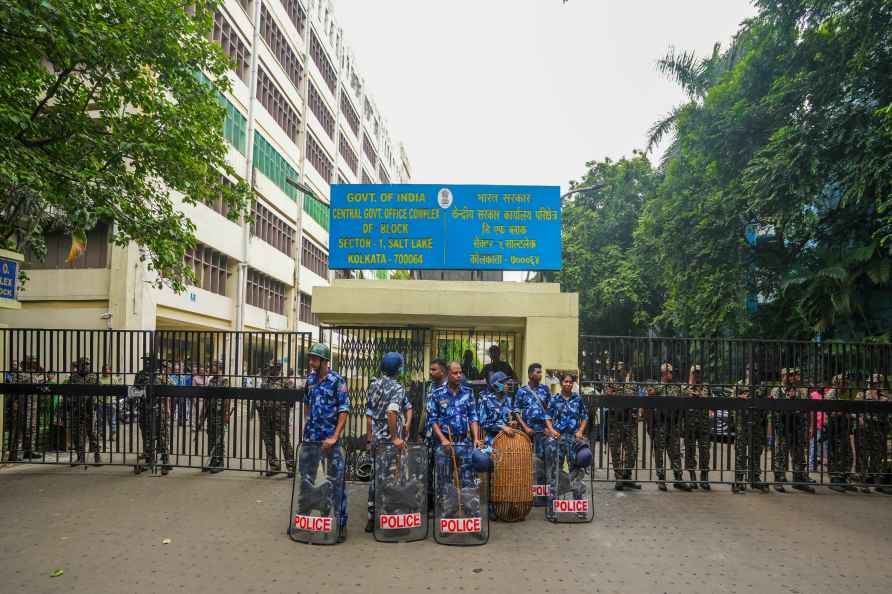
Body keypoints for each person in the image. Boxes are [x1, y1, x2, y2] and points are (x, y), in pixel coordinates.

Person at [300, 342, 350, 542]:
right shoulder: (310, 379)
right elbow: (306, 403)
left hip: (331, 442)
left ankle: (340, 524)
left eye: (314, 358)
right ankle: (302, 520)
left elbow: (344, 410)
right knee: (306, 480)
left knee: (336, 482)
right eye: (310, 357)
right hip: (311, 440)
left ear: (324, 360)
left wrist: (335, 436)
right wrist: (308, 425)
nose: (311, 361)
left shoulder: (337, 381)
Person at [427, 361, 483, 520]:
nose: (459, 376)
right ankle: (446, 517)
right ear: (448, 374)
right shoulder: (437, 394)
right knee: (444, 483)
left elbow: (473, 417)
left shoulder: (468, 392)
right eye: (455, 373)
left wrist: (476, 438)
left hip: (464, 443)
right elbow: (433, 420)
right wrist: (443, 440)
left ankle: (470, 517)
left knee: (467, 482)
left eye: (460, 372)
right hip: (445, 446)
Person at [364, 352, 411, 533]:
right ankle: (390, 519)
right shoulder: (398, 388)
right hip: (389, 444)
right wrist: (395, 437)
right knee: (393, 478)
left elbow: (369, 415)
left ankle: (371, 517)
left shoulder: (373, 385)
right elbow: (392, 413)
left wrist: (369, 438)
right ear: (398, 369)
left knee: (375, 477)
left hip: (376, 440)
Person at [543, 373, 588, 520]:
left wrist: (581, 430)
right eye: (565, 381)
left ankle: (579, 508)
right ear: (561, 383)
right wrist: (551, 430)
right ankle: (551, 510)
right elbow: (547, 417)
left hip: (574, 440)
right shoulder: (555, 399)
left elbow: (585, 417)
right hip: (558, 439)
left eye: (570, 382)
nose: (568, 384)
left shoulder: (578, 399)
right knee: (555, 473)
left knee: (576, 472)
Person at [646, 363, 690, 491]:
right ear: (664, 373)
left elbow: (687, 392)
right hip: (659, 424)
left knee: (675, 452)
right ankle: (661, 479)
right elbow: (649, 394)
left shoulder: (676, 386)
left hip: (673, 424)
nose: (672, 374)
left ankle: (678, 479)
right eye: (669, 372)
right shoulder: (655, 385)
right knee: (659, 452)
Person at [770, 368, 814, 493]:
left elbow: (807, 408)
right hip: (783, 427)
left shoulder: (800, 391)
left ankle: (798, 480)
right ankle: (779, 480)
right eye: (787, 375)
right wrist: (787, 401)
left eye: (792, 375)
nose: (790, 377)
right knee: (780, 455)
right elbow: (774, 409)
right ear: (782, 377)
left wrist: (809, 427)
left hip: (797, 427)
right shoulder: (777, 390)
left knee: (799, 455)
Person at [514, 362, 554, 495]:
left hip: (542, 432)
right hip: (527, 433)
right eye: (538, 372)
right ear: (531, 374)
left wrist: (550, 428)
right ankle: (527, 493)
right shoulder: (522, 391)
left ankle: (541, 494)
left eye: (541, 372)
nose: (540, 374)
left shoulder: (545, 390)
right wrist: (525, 427)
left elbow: (550, 410)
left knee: (542, 462)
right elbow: (516, 411)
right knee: (527, 462)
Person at [133, 355, 172, 475]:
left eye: (150, 361)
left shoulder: (161, 375)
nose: (147, 363)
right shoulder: (140, 375)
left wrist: (168, 408)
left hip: (159, 409)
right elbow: (134, 390)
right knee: (147, 435)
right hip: (144, 408)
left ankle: (165, 461)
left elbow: (168, 392)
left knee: (162, 434)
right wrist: (140, 395)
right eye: (146, 361)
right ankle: (149, 460)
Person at [605, 362, 641, 491]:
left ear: (625, 371)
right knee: (615, 450)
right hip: (615, 421)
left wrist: (619, 393)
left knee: (633, 449)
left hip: (629, 421)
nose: (618, 372)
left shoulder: (632, 383)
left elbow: (635, 398)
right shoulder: (610, 382)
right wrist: (619, 394)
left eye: (620, 370)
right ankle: (619, 478)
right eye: (616, 370)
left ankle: (627, 475)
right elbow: (608, 397)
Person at [259, 360, 295, 477]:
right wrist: (259, 406)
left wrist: (283, 408)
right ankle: (274, 466)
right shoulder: (265, 381)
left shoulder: (286, 382)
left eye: (273, 368)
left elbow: (292, 400)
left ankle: (291, 467)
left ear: (278, 368)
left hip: (280, 416)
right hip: (266, 414)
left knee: (284, 440)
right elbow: (259, 396)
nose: (270, 370)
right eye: (270, 368)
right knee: (268, 440)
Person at [732, 380, 769, 493]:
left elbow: (765, 404)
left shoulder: (762, 385)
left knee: (756, 452)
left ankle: (755, 478)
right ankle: (739, 480)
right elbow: (732, 402)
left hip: (756, 423)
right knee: (741, 452)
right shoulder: (739, 384)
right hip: (742, 423)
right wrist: (740, 397)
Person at [854, 374, 888, 494]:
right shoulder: (861, 395)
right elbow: (855, 410)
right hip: (865, 427)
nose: (873, 386)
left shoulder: (885, 397)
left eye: (876, 384)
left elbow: (888, 412)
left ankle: (878, 481)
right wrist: (860, 419)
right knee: (863, 454)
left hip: (879, 427)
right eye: (872, 383)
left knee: (878, 455)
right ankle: (863, 482)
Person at [9, 356, 45, 462]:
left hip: (32, 405)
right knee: (20, 428)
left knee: (31, 428)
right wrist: (15, 403)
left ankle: (29, 451)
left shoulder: (33, 375)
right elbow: (13, 389)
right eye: (32, 363)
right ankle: (16, 453)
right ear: (26, 364)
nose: (34, 365)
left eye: (34, 363)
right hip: (22, 404)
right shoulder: (19, 374)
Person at [67, 357, 101, 466]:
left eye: (88, 364)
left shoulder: (94, 377)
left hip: (90, 408)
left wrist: (94, 400)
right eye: (84, 364)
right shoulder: (74, 377)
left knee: (92, 432)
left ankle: (97, 456)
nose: (86, 366)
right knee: (77, 433)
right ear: (79, 365)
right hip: (77, 408)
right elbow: (69, 392)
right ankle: (80, 457)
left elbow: (101, 391)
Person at [196, 360, 228, 473]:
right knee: (211, 438)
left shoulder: (225, 381)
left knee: (219, 439)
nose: (210, 368)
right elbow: (206, 400)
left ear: (219, 368)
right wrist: (202, 417)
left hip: (219, 415)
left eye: (213, 366)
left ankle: (220, 463)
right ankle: (212, 460)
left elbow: (227, 400)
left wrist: (225, 417)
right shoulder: (211, 381)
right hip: (210, 414)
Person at [825, 374, 855, 492]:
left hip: (843, 427)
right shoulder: (831, 394)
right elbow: (830, 412)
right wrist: (844, 413)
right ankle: (835, 478)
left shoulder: (844, 393)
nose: (847, 385)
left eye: (847, 382)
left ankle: (844, 477)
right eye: (844, 382)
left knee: (847, 452)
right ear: (837, 383)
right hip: (835, 427)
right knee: (835, 453)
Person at [684, 365, 711, 490]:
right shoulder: (685, 386)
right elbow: (687, 396)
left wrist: (695, 393)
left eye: (698, 373)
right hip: (690, 425)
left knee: (705, 451)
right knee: (690, 451)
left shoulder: (705, 386)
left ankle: (704, 477)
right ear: (690, 373)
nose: (697, 375)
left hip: (703, 424)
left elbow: (704, 397)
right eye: (694, 373)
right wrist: (691, 385)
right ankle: (692, 477)